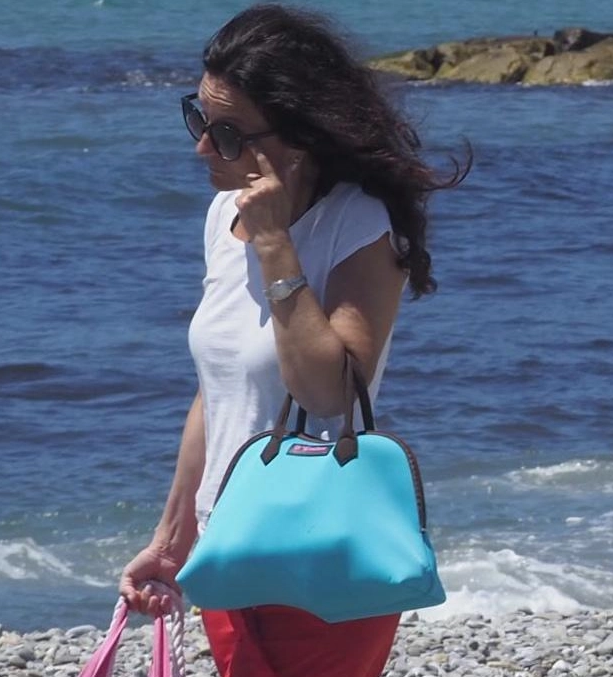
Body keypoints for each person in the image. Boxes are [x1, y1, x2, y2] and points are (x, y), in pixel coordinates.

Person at [118, 5, 468, 677]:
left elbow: (328, 389)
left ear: (297, 141)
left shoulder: (360, 223)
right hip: (229, 545)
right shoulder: (225, 216)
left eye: (225, 132)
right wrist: (171, 538)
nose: (200, 148)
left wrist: (278, 245)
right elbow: (217, 390)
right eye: (198, 118)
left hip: (319, 552)